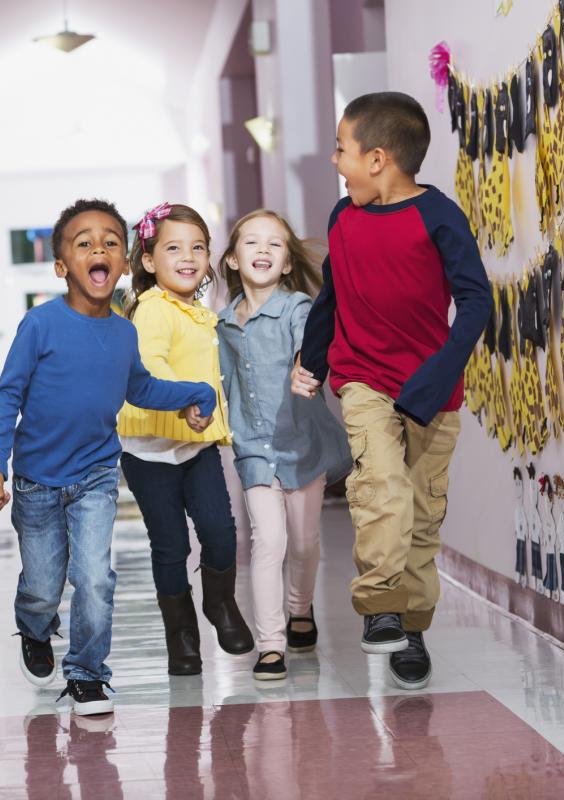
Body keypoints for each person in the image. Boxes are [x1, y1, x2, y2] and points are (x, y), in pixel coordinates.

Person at [0, 198, 217, 716]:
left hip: (97, 476)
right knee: (41, 587)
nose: (99, 248)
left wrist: (196, 391)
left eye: (111, 242)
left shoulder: (124, 332)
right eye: (84, 244)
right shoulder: (40, 325)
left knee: (96, 578)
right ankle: (34, 627)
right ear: (62, 267)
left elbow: (142, 388)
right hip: (36, 481)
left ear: (124, 263)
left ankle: (86, 674)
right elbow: (6, 396)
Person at [293, 91, 492, 690]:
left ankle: (411, 627)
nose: (334, 161)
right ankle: (379, 604)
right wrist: (315, 357)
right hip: (365, 381)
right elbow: (331, 294)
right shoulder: (342, 218)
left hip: (433, 393)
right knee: (381, 488)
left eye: (341, 149)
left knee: (423, 516)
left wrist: (438, 374)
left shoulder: (438, 216)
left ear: (377, 158)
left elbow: (477, 300)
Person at [116, 202, 252, 677]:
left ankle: (219, 603)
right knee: (170, 545)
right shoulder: (152, 308)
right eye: (173, 248)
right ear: (149, 260)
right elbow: (152, 366)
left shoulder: (198, 311)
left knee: (219, 530)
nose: (188, 256)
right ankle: (181, 633)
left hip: (194, 446)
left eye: (198, 247)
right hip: (149, 451)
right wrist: (187, 400)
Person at [216, 209, 351, 680]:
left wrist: (303, 365)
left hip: (302, 445)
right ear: (232, 260)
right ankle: (271, 645)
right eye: (251, 243)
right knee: (267, 540)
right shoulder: (223, 323)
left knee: (305, 542)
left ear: (289, 261)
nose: (263, 251)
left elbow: (308, 343)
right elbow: (223, 381)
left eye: (275, 244)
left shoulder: (297, 308)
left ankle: (300, 608)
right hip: (252, 447)